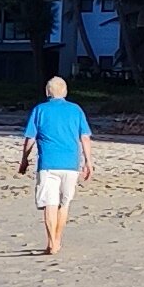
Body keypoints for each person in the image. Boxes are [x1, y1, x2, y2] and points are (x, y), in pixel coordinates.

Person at [18, 70, 95, 256]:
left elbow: (30, 139)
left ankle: (52, 242)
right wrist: (89, 162)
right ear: (65, 92)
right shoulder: (76, 110)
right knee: (64, 204)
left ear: (47, 92)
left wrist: (24, 160)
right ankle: (57, 240)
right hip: (71, 164)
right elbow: (85, 137)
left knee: (49, 204)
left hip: (48, 164)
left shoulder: (40, 110)